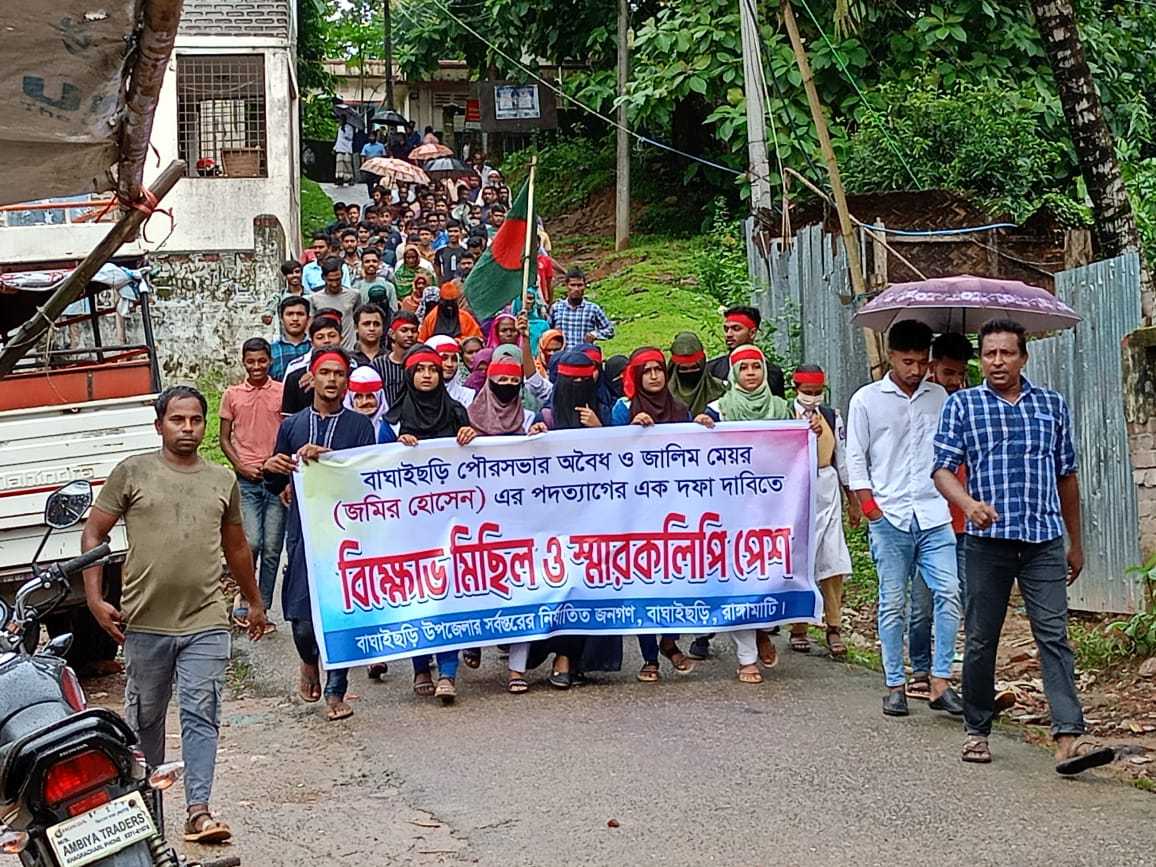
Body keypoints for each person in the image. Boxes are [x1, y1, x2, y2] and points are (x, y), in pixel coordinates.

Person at [81, 386, 266, 845]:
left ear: (206, 427)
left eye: (195, 421)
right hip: (143, 623)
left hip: (205, 620)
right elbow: (93, 532)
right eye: (177, 420)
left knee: (202, 712)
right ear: (159, 424)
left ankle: (199, 810)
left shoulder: (221, 480)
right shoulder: (132, 472)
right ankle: (146, 813)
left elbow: (237, 545)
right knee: (146, 720)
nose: (187, 428)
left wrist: (254, 600)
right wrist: (93, 597)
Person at [932, 319, 1113, 774]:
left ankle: (1069, 737)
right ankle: (977, 730)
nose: (997, 362)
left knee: (1053, 636)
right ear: (980, 358)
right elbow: (941, 470)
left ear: (1023, 358)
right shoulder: (964, 406)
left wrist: (1076, 542)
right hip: (987, 543)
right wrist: (968, 503)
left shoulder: (1050, 405)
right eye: (989, 353)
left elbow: (1067, 475)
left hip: (1043, 540)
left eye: (1006, 353)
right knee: (980, 639)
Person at [845, 319, 963, 718]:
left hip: (934, 513)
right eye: (907, 361)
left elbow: (953, 450)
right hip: (890, 514)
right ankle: (894, 683)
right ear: (891, 356)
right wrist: (869, 509)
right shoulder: (866, 400)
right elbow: (855, 457)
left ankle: (941, 680)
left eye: (921, 362)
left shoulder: (941, 398)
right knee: (893, 602)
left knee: (948, 593)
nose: (915, 369)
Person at [265, 350, 374, 721]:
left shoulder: (361, 426)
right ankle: (308, 660)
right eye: (325, 373)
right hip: (303, 530)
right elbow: (276, 479)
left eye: (340, 374)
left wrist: (330, 458)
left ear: (347, 381)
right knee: (302, 617)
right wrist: (273, 466)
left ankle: (336, 689)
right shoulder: (292, 425)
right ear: (312, 378)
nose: (332, 380)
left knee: (339, 611)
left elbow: (368, 477)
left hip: (346, 533)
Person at [377, 345, 477, 703]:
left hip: (451, 522)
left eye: (432, 370)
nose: (426, 376)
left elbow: (476, 462)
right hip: (410, 523)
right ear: (409, 375)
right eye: (419, 370)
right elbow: (376, 467)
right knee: (418, 592)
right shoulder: (392, 422)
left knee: (450, 594)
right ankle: (421, 666)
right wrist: (397, 450)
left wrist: (469, 437)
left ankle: (448, 672)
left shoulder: (456, 411)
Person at [696, 345, 793, 678]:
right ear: (734, 374)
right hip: (732, 509)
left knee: (769, 575)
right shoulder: (719, 409)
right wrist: (702, 427)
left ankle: (763, 628)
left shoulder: (783, 409)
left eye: (756, 367)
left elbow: (797, 449)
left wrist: (812, 432)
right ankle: (747, 657)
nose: (751, 373)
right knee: (738, 576)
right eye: (744, 368)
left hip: (773, 507)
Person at [612, 347, 698, 680]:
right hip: (635, 510)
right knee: (642, 583)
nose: (653, 376)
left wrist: (704, 427)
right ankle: (650, 655)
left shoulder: (679, 409)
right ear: (635, 376)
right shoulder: (623, 409)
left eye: (658, 370)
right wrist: (630, 429)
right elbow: (606, 454)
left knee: (673, 578)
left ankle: (670, 640)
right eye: (646, 371)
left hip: (673, 508)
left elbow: (694, 453)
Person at [908, 332, 973, 700]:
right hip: (929, 517)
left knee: (956, 597)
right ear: (932, 367)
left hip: (965, 520)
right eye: (948, 372)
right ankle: (919, 667)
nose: (955, 381)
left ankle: (942, 672)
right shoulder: (920, 405)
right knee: (922, 603)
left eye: (961, 374)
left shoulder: (972, 404)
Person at [786, 364, 857, 657]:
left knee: (832, 560)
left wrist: (852, 499)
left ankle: (833, 626)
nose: (812, 398)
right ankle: (798, 625)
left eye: (817, 393)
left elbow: (842, 457)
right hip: (795, 493)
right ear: (795, 390)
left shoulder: (831, 416)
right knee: (799, 559)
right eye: (807, 393)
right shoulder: (782, 415)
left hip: (826, 491)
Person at [219, 338, 285, 627]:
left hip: (276, 479)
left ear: (269, 361)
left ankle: (262, 609)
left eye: (261, 361)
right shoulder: (232, 395)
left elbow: (290, 432)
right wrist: (240, 465)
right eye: (251, 361)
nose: (256, 366)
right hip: (245, 480)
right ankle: (245, 595)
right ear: (243, 362)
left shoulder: (282, 392)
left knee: (272, 547)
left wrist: (279, 465)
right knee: (253, 542)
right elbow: (223, 438)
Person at [706, 306, 786, 397]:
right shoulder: (712, 370)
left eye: (736, 329)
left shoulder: (772, 373)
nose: (728, 334)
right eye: (726, 329)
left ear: (752, 333)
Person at [466, 351, 548, 437]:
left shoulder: (527, 419)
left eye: (515, 380)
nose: (509, 384)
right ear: (490, 383)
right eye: (503, 379)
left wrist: (535, 433)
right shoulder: (470, 418)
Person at [281, 315, 344, 416]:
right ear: (312, 342)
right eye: (320, 337)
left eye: (332, 336)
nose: (327, 341)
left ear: (341, 338)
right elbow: (288, 418)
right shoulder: (295, 377)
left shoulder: (355, 370)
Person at [548, 269, 614, 349]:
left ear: (584, 286)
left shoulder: (593, 309)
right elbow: (547, 332)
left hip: (584, 356)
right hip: (561, 357)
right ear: (566, 286)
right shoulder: (556, 308)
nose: (576, 289)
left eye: (579, 285)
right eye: (572, 285)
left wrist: (595, 334)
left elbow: (610, 330)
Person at [668, 331, 727, 417]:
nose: (689, 372)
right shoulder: (663, 394)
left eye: (694, 368)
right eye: (684, 369)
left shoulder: (720, 390)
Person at [309, 258, 362, 352]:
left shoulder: (354, 295)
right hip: (324, 350)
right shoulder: (314, 299)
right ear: (323, 278)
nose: (334, 284)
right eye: (330, 280)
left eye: (338, 279)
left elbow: (359, 320)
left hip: (349, 349)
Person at [374, 310, 420, 407]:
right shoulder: (378, 365)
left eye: (413, 331)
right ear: (392, 333)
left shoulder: (421, 364)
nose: (410, 335)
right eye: (404, 330)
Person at [418, 282, 483, 342]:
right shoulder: (431, 318)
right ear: (440, 300)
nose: (449, 306)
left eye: (453, 302)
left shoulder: (465, 317)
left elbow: (477, 339)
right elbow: (422, 341)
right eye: (446, 302)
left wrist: (462, 341)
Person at [269, 296, 311, 381]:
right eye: (290, 314)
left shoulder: (315, 347)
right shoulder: (271, 350)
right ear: (281, 319)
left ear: (308, 319)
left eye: (300, 314)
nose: (295, 319)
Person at [426, 334, 475, 405]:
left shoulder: (467, 396)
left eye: (454, 359)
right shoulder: (417, 396)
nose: (450, 364)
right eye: (444, 358)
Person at [352, 247, 398, 314]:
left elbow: (394, 312)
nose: (371, 264)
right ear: (362, 264)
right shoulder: (356, 287)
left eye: (374, 261)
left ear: (379, 263)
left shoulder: (389, 286)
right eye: (367, 261)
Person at [263, 260, 305, 326]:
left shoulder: (310, 296)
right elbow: (269, 311)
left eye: (297, 272)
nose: (294, 275)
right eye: (290, 273)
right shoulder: (278, 297)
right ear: (284, 276)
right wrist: (267, 316)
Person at [394, 245, 435, 311]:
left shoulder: (425, 273)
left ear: (417, 258)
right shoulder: (399, 274)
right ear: (404, 258)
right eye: (408, 258)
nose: (411, 260)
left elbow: (433, 291)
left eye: (413, 257)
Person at [360, 129, 385, 198]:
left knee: (379, 181)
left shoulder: (381, 146)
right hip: (369, 166)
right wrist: (363, 166)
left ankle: (379, 194)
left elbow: (384, 156)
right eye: (370, 136)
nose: (371, 138)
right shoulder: (366, 146)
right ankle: (371, 195)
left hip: (378, 166)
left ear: (375, 137)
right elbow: (363, 156)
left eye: (373, 136)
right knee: (369, 182)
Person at [333, 119, 355, 185]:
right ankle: (340, 178)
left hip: (347, 148)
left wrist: (344, 130)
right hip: (339, 148)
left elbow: (350, 137)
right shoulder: (339, 128)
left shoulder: (349, 127)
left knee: (347, 163)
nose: (340, 121)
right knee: (339, 164)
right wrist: (335, 148)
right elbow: (338, 139)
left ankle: (350, 178)